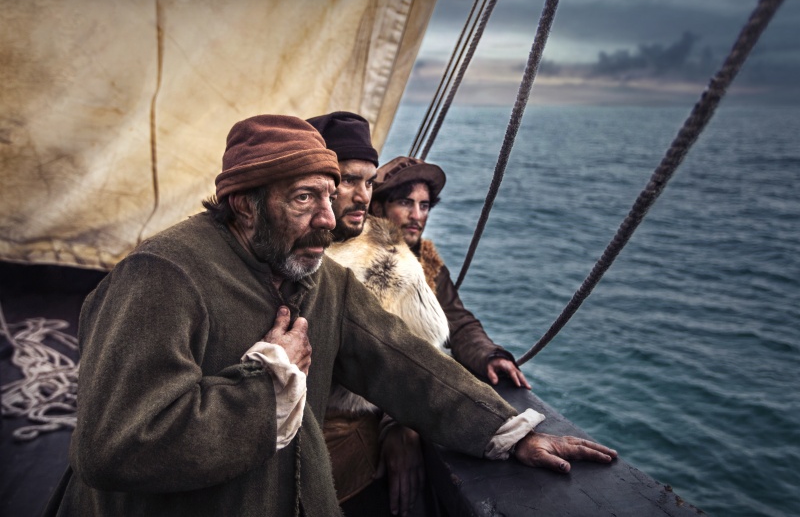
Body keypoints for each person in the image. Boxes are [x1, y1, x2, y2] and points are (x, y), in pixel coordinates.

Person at [47, 115, 616, 517]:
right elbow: (115, 446)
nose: (328, 217)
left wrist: (507, 432)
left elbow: (401, 361)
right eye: (304, 198)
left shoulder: (321, 280)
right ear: (244, 205)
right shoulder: (161, 277)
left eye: (330, 194)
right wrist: (269, 380)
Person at [308, 111, 451, 516]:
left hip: (341, 447)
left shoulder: (395, 261)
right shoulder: (282, 250)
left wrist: (397, 421)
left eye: (369, 182)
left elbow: (418, 354)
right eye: (349, 180)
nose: (362, 195)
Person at [370, 156, 530, 388]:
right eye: (405, 203)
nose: (416, 215)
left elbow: (456, 321)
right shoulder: (357, 255)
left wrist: (490, 355)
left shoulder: (429, 264)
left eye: (424, 206)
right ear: (378, 207)